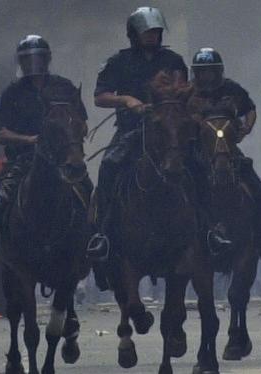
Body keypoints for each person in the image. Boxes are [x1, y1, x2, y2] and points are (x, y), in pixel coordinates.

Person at [86, 8, 231, 275]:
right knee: (108, 166)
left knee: (199, 165)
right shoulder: (118, 62)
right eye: (147, 32)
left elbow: (185, 91)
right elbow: (100, 97)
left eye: (156, 32)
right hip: (133, 131)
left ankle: (210, 229)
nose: (153, 36)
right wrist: (127, 100)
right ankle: (103, 235)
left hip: (171, 130)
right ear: (134, 34)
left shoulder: (173, 60)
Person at [0, 35, 89, 288]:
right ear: (22, 62)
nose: (34, 64)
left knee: (88, 191)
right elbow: (1, 133)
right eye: (29, 60)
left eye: (38, 58)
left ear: (47, 59)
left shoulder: (64, 87)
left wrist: (72, 137)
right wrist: (30, 139)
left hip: (62, 160)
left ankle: (96, 252)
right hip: (23, 161)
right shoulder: (12, 93)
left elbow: (81, 122)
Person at [187, 47, 261, 263]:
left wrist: (247, 127)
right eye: (202, 71)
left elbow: (250, 109)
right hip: (196, 150)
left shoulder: (232, 89)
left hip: (227, 148)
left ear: (218, 71)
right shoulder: (187, 92)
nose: (207, 76)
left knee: (256, 188)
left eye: (211, 71)